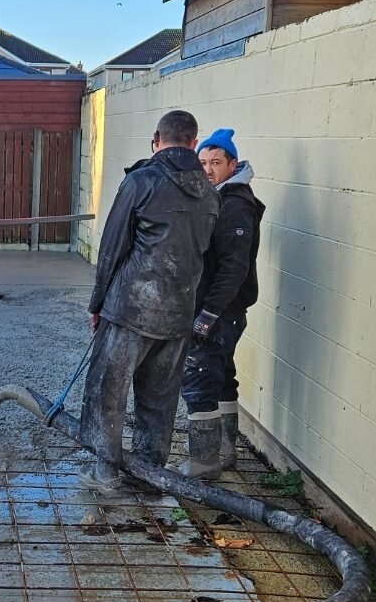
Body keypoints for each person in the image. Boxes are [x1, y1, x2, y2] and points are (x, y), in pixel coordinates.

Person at [79, 109, 218, 492]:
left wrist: (97, 304)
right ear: (193, 142)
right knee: (159, 399)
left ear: (156, 139)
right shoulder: (209, 192)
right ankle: (147, 476)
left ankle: (105, 472)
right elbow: (201, 251)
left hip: (130, 308)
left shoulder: (141, 181)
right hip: (178, 314)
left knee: (108, 390)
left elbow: (112, 248)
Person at [179, 127, 265, 478]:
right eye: (203, 162)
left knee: (198, 377)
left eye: (216, 162)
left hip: (220, 312)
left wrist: (207, 314)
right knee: (223, 377)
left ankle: (203, 462)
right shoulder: (216, 196)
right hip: (223, 311)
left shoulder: (235, 204)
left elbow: (233, 267)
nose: (209, 168)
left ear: (233, 163)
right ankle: (226, 453)